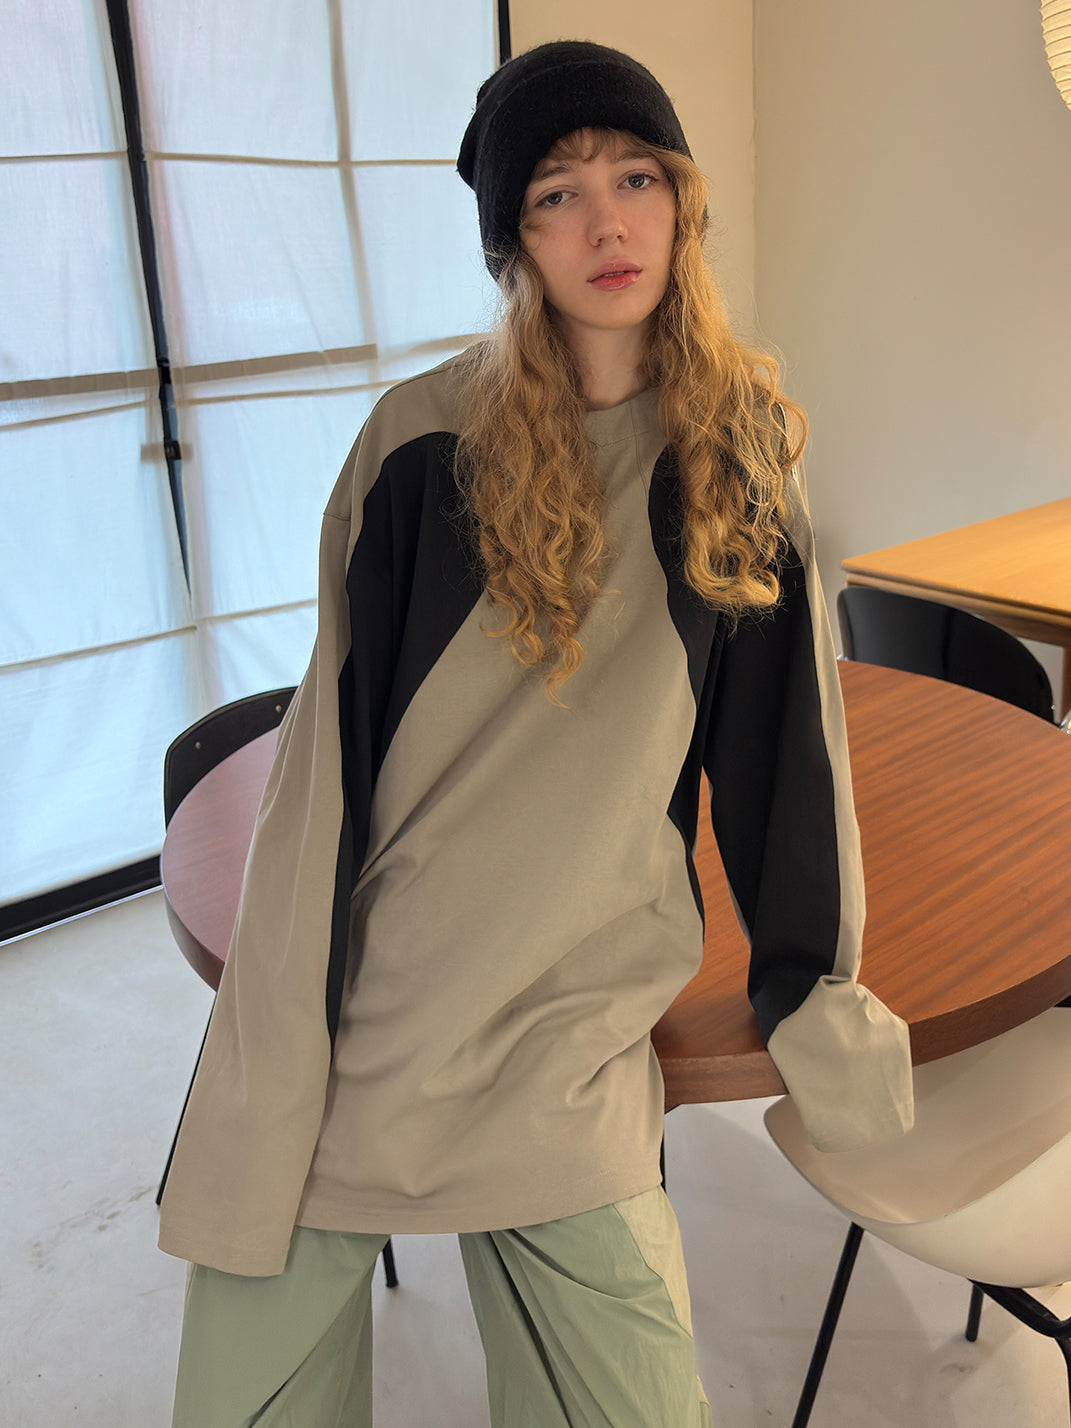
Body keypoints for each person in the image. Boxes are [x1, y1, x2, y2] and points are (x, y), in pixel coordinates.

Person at [160, 40, 914, 1427]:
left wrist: (811, 991)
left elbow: (785, 764)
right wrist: (276, 1041)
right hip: (371, 1008)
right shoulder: (417, 450)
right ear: (515, 238)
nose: (606, 222)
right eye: (558, 193)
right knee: (242, 1394)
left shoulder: (739, 456)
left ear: (681, 202)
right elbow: (324, 777)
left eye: (636, 178)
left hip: (569, 1029)